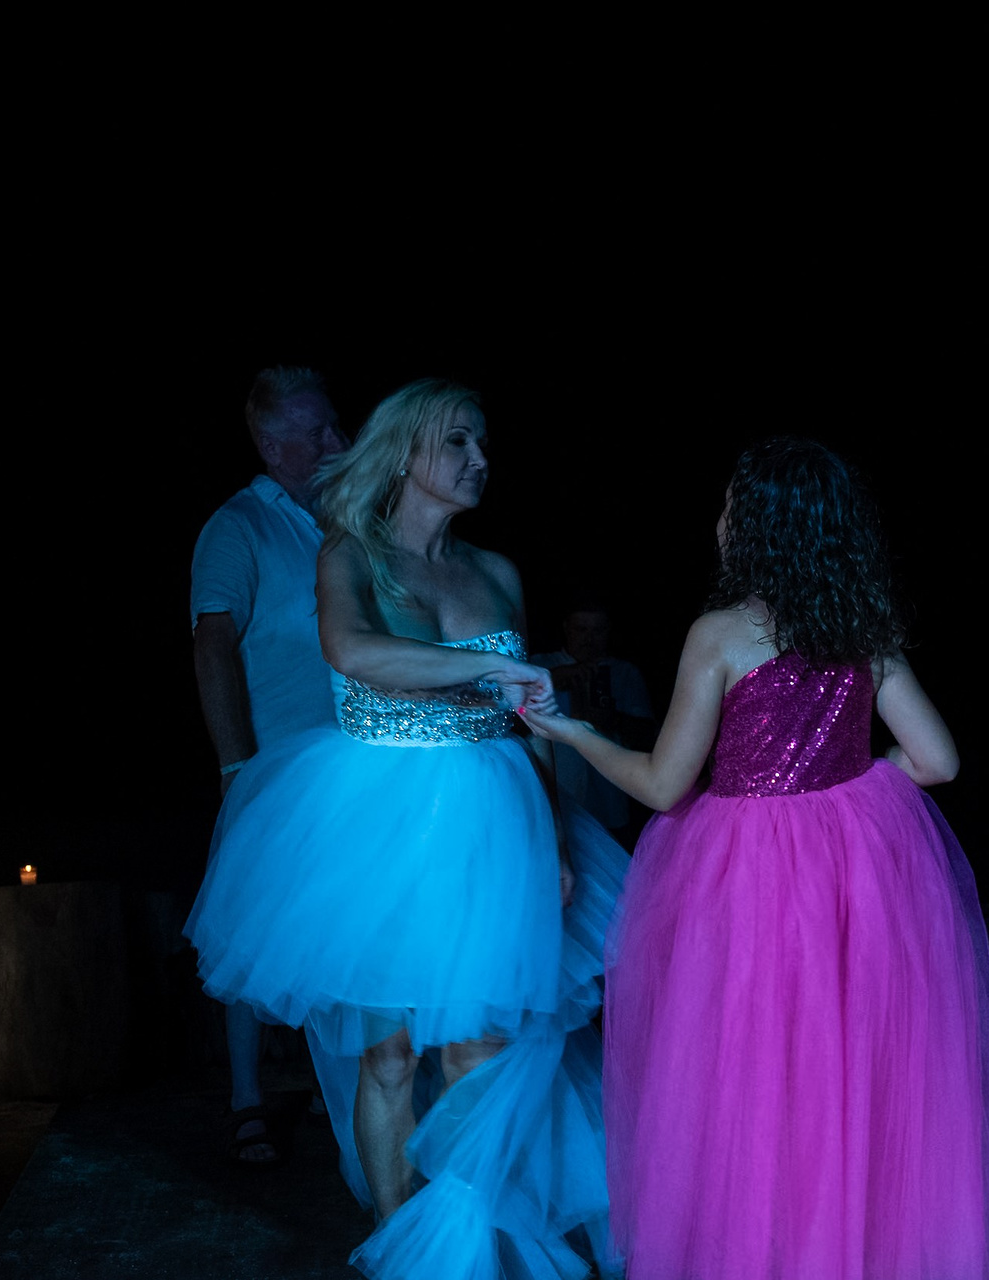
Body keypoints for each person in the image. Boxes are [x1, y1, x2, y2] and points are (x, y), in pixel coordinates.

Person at [527, 438, 989, 1280]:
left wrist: (572, 732)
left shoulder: (720, 635)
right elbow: (937, 761)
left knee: (753, 1072)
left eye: (731, 502)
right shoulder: (862, 629)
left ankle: (767, 1253)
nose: (719, 517)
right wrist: (854, 785)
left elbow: (662, 784)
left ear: (758, 523)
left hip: (745, 876)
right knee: (846, 1068)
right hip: (851, 877)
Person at [186, 378, 625, 1278]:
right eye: (458, 442)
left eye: (483, 443)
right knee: (385, 1052)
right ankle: (396, 1243)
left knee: (479, 1044)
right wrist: (488, 671)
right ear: (406, 453)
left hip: (493, 819)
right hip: (381, 820)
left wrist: (552, 838)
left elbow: (527, 726)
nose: (480, 460)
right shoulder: (350, 554)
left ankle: (465, 1242)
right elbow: (352, 651)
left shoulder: (497, 572)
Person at [190, 366, 346, 1164]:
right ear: (270, 443)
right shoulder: (238, 526)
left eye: (335, 425)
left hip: (353, 761)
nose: (337, 441)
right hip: (277, 764)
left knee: (338, 920)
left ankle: (333, 1082)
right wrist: (234, 764)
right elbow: (213, 643)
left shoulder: (346, 519)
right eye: (317, 431)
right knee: (250, 922)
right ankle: (247, 1097)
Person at [534, 602, 655, 842]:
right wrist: (552, 679)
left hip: (608, 801)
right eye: (581, 629)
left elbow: (649, 735)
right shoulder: (541, 666)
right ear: (566, 628)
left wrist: (614, 719)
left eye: (597, 631)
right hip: (557, 798)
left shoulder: (624, 673)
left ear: (608, 630)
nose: (589, 639)